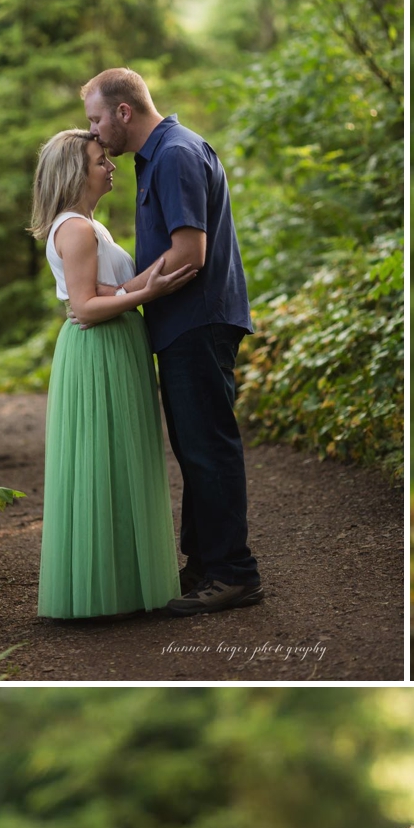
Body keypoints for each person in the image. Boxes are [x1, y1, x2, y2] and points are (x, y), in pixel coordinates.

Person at [80, 68, 262, 615]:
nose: (92, 133)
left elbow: (189, 254)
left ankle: (235, 573)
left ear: (123, 112)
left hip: (199, 321)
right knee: (194, 449)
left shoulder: (177, 154)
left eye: (95, 119)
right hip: (185, 323)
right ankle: (206, 566)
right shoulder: (160, 155)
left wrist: (120, 292)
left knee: (208, 449)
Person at [29, 129, 197, 619]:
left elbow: (108, 286)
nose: (111, 166)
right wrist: (150, 295)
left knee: (115, 461)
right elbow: (86, 306)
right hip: (99, 348)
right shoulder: (77, 228)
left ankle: (118, 581)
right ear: (76, 172)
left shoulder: (85, 225)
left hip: (111, 344)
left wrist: (155, 277)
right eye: (101, 160)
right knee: (104, 460)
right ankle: (104, 589)